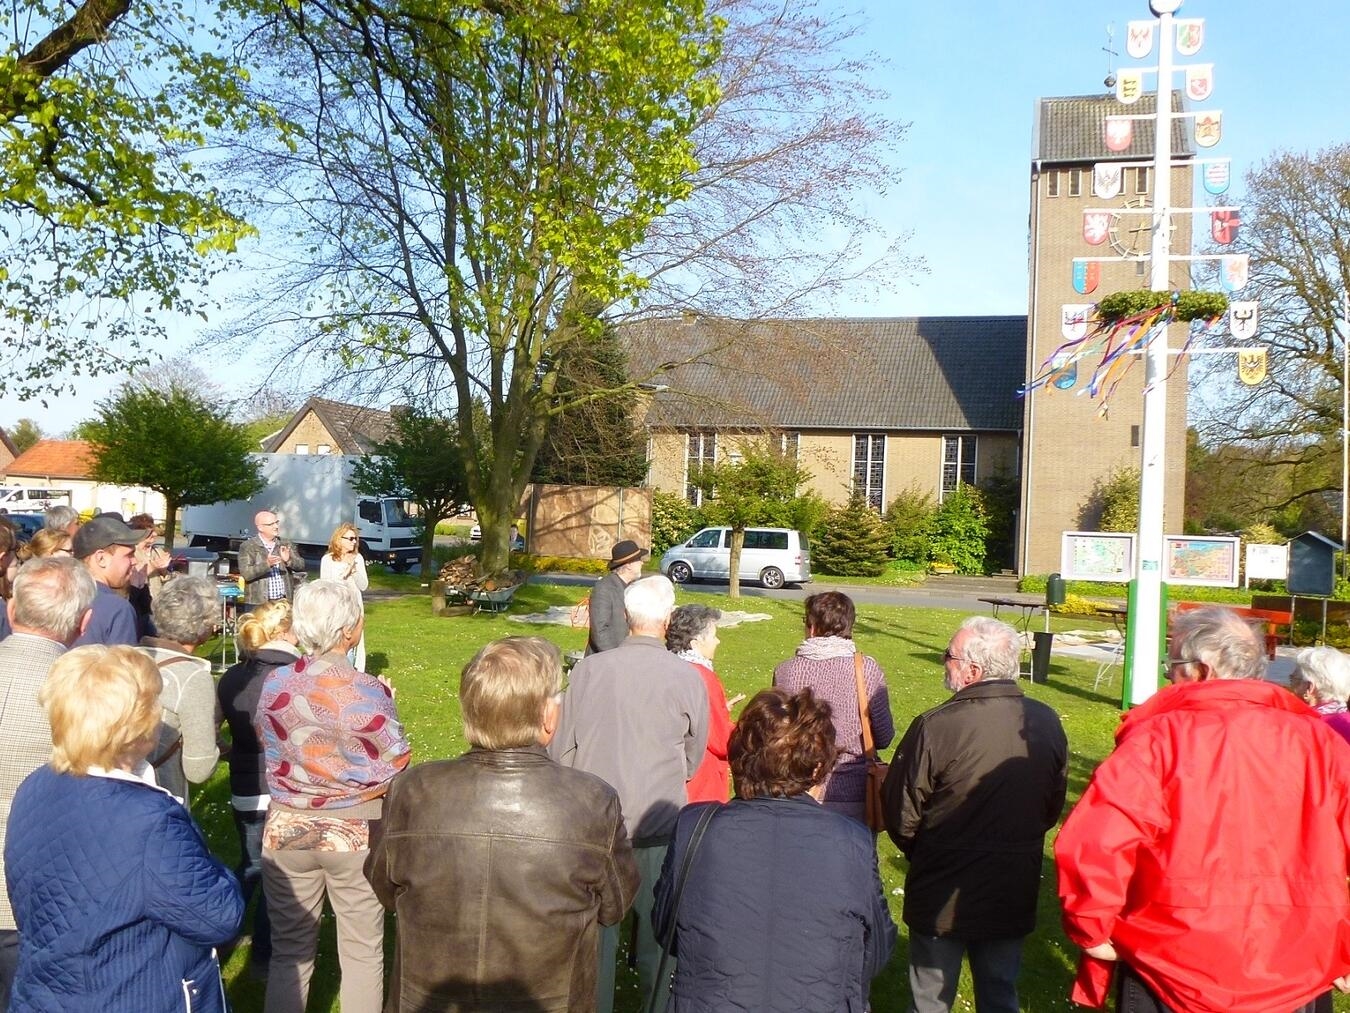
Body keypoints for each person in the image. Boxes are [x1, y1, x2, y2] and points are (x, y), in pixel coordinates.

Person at [1056, 606, 1350, 1013]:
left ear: (1201, 669)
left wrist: (1091, 925)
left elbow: (1098, 842)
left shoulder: (1157, 739)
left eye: (1172, 665)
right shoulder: (1319, 742)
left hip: (1171, 957)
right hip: (1292, 958)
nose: (1168, 675)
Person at [367, 637, 641, 1012]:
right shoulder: (593, 800)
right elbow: (615, 906)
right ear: (548, 716)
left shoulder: (411, 790)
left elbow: (384, 887)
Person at [4, 645, 242, 1012]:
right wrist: (215, 867)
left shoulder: (35, 786)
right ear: (137, 726)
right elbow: (220, 916)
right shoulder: (149, 820)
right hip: (128, 994)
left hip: (46, 992)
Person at [652, 687, 897, 1012]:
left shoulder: (696, 826)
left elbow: (665, 926)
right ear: (817, 768)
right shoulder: (851, 840)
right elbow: (876, 948)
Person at [881, 615, 1068, 1013]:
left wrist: (929, 851)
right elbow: (1052, 804)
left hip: (947, 883)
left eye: (948, 656)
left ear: (972, 670)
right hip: (1006, 882)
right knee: (998, 991)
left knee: (932, 999)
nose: (943, 663)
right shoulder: (1045, 722)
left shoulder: (938, 726)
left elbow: (901, 809)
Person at [550, 575, 709, 1013]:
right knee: (658, 936)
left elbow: (561, 748)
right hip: (656, 821)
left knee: (597, 935)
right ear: (668, 619)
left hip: (597, 823)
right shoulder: (686, 676)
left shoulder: (589, 671)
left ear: (625, 616)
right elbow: (694, 755)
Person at [258, 578, 410, 1013]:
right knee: (362, 951)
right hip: (354, 831)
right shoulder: (367, 689)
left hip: (286, 827)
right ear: (348, 631)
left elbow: (270, 741)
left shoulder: (275, 682)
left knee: (289, 952)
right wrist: (388, 703)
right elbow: (395, 761)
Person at [0, 557, 96, 1007]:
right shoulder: (84, 698)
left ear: (10, 609)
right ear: (84, 623)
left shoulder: (76, 691)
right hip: (39, 895)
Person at [217, 600, 300, 980]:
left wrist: (231, 749)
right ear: (285, 632)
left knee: (251, 865)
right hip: (284, 784)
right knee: (275, 873)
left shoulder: (232, 676)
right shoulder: (296, 674)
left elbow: (210, 731)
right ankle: (263, 957)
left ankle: (221, 931)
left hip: (246, 783)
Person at [773, 591, 894, 823]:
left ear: (811, 627)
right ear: (849, 626)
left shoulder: (785, 671)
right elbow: (884, 736)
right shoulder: (867, 670)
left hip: (798, 787)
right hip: (854, 792)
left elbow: (778, 734)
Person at [137, 575, 222, 802]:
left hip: (108, 787)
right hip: (161, 795)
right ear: (206, 623)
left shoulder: (125, 657)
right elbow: (199, 769)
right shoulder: (192, 677)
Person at [666, 603, 743, 803]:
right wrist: (745, 728)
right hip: (702, 778)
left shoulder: (668, 667)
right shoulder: (703, 678)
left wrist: (722, 709)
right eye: (713, 636)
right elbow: (720, 740)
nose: (718, 641)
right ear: (695, 642)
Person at [70, 513, 144, 647]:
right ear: (101, 558)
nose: (135, 561)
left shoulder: (56, 594)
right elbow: (122, 660)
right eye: (129, 555)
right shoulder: (117, 609)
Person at [319, 522, 368, 670]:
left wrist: (354, 571)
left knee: (352, 638)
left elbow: (364, 586)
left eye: (355, 539)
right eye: (350, 538)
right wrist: (343, 575)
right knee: (336, 638)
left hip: (354, 606)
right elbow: (325, 585)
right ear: (339, 539)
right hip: (335, 607)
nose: (354, 542)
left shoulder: (358, 558)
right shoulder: (328, 559)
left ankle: (352, 669)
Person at [586, 539, 648, 655]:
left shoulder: (633, 587)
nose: (642, 563)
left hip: (627, 655)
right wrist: (615, 657)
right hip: (605, 659)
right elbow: (599, 630)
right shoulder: (604, 588)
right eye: (639, 559)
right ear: (628, 565)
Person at [239, 509, 306, 611]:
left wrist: (288, 560)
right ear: (260, 527)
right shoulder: (248, 546)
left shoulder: (286, 543)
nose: (276, 526)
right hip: (258, 603)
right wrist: (267, 564)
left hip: (283, 601)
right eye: (271, 524)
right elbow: (246, 574)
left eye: (276, 522)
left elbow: (301, 565)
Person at [1290, 646, 1350, 744]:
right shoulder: (1346, 721)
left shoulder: (1307, 728)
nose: (1291, 688)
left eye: (1292, 679)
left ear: (1309, 688)